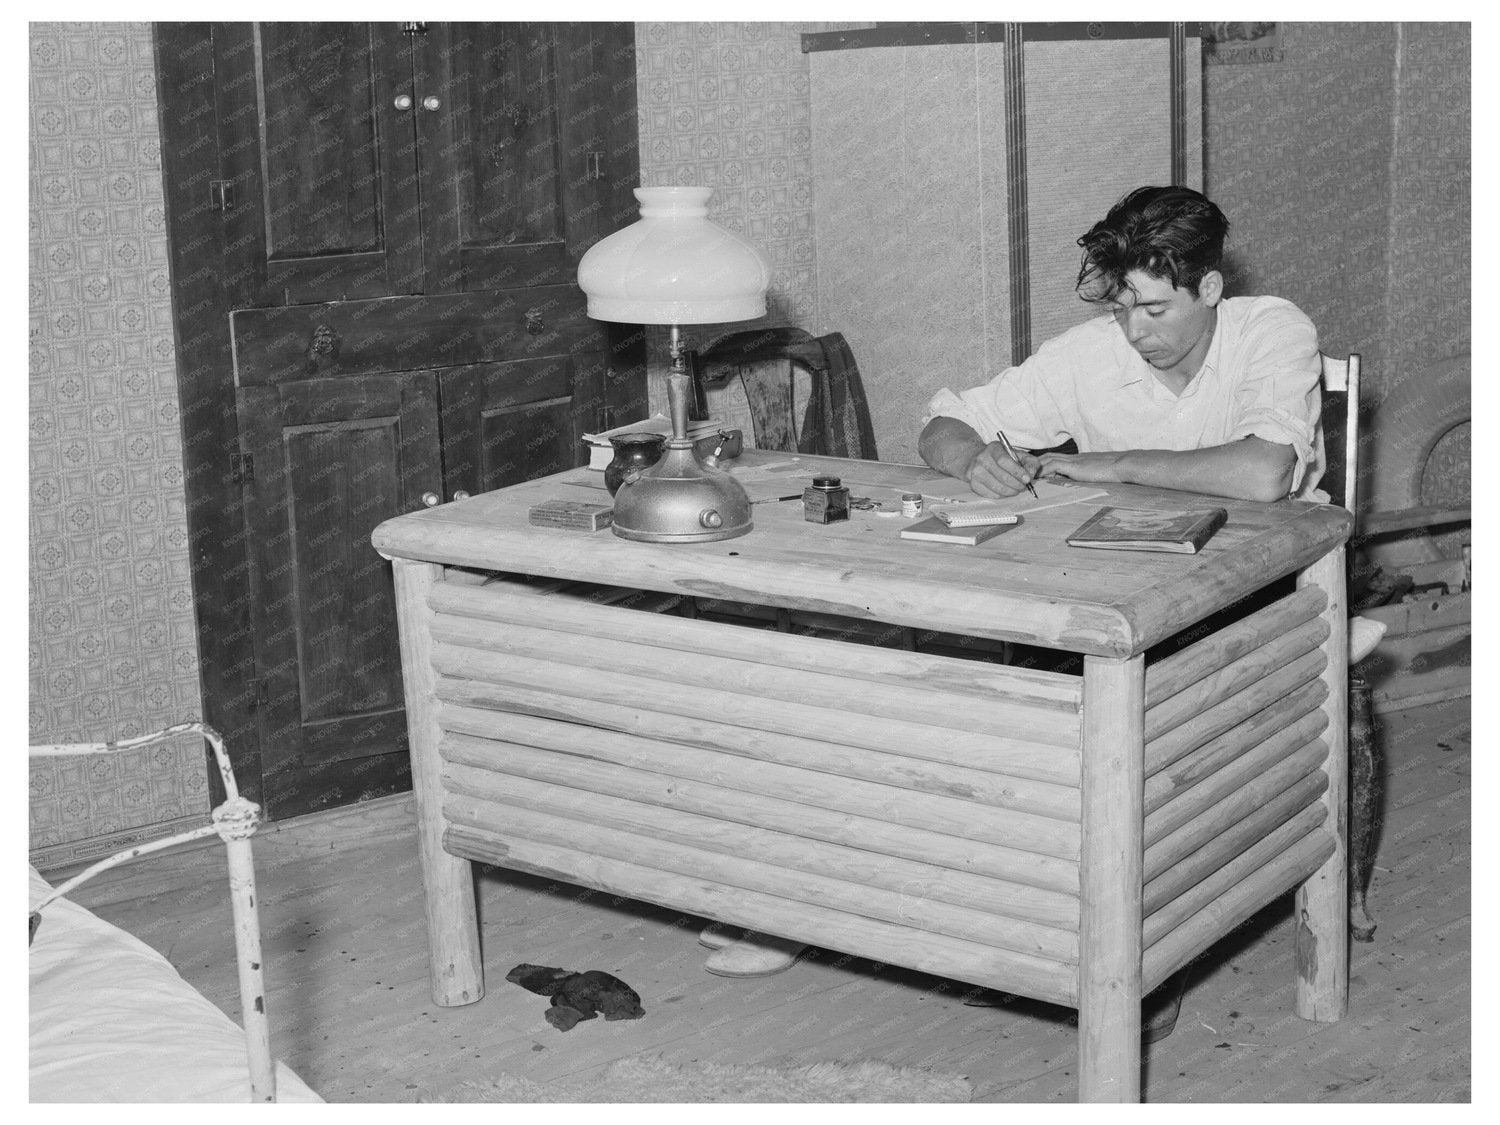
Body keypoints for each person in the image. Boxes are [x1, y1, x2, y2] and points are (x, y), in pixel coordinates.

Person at [919, 185, 1324, 504]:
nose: (1134, 332)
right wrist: (975, 460)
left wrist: (1117, 465)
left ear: (1209, 288)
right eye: (1120, 310)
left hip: (1272, 574)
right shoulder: (1091, 351)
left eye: (1155, 310)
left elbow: (1265, 473)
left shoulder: (1273, 330)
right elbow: (942, 426)